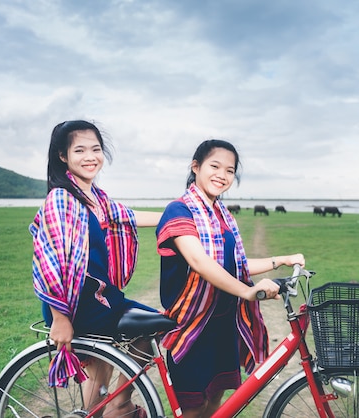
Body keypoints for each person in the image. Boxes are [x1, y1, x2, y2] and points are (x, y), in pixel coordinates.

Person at [156, 139, 305, 418]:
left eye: (229, 170)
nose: (222, 176)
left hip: (224, 323)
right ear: (196, 167)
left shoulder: (221, 215)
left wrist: (280, 260)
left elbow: (234, 265)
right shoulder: (179, 211)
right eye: (214, 166)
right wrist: (247, 292)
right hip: (193, 325)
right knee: (194, 407)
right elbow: (200, 262)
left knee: (216, 402)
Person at [29, 120, 160, 417]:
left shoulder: (94, 198)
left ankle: (110, 406)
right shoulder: (61, 199)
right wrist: (60, 319)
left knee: (147, 331)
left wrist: (177, 217)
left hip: (103, 297)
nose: (90, 156)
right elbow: (50, 262)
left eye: (96, 149)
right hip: (77, 305)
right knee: (148, 329)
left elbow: (128, 216)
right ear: (63, 156)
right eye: (80, 150)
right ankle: (118, 407)